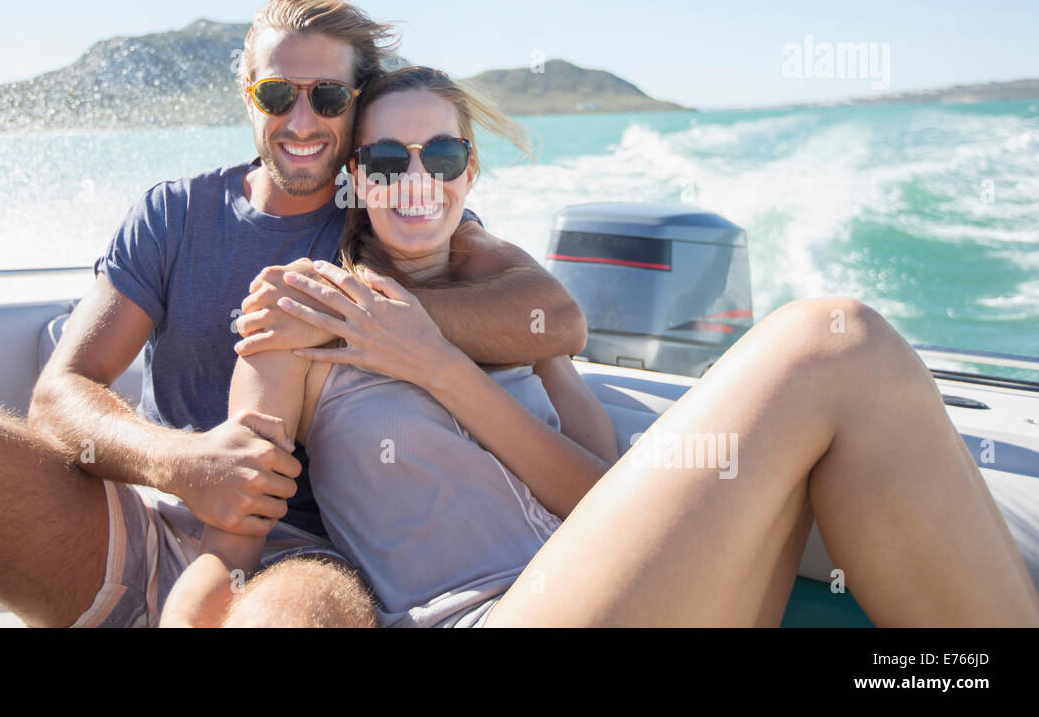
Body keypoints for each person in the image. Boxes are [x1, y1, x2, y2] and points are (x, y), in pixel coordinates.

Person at [0, 0, 591, 627]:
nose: (301, 121)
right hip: (138, 512)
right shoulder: (176, 214)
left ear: (358, 107)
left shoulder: (386, 202)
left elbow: (553, 317)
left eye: (328, 100)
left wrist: (380, 322)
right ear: (246, 95)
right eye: (277, 95)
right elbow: (61, 393)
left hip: (297, 555)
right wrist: (181, 465)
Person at [160, 65, 1039, 628]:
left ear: (471, 173)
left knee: (848, 371)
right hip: (483, 616)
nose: (416, 178)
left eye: (442, 154)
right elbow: (230, 544)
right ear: (356, 177)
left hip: (623, 592)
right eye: (387, 157)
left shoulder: (522, 320)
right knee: (831, 341)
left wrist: (434, 358)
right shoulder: (303, 312)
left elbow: (596, 494)